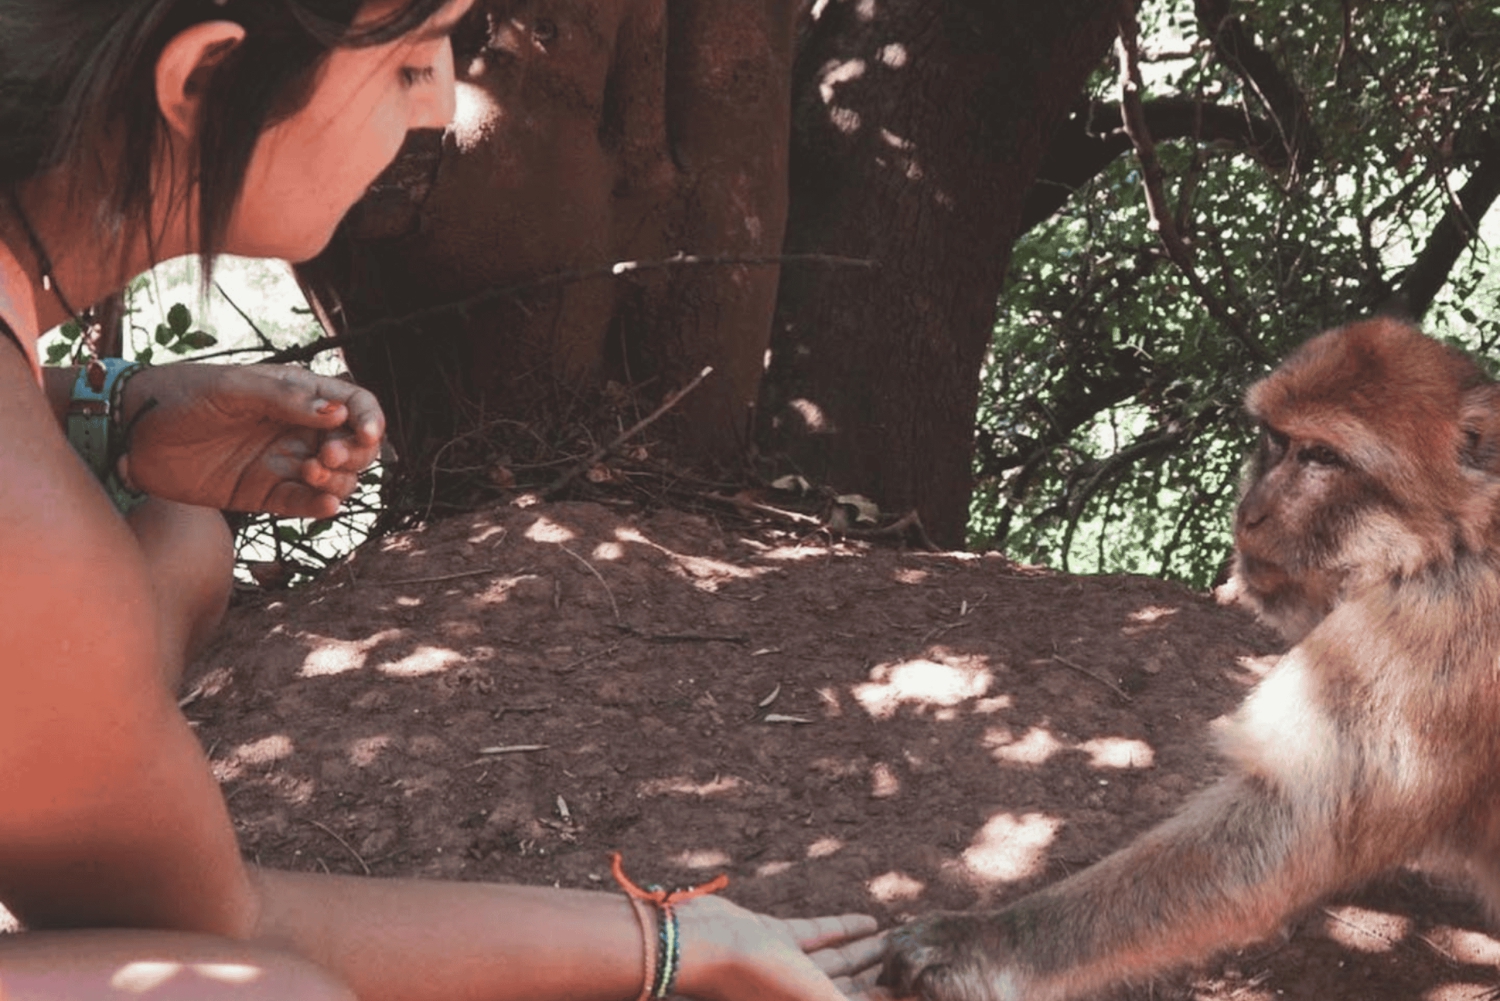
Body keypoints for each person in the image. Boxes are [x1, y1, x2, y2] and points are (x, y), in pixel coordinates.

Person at [0, 2, 886, 998]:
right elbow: (221, 923)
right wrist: (680, 940)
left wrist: (104, 414)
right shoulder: (29, 538)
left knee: (177, 536)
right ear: (203, 82)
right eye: (405, 62)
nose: (440, 105)